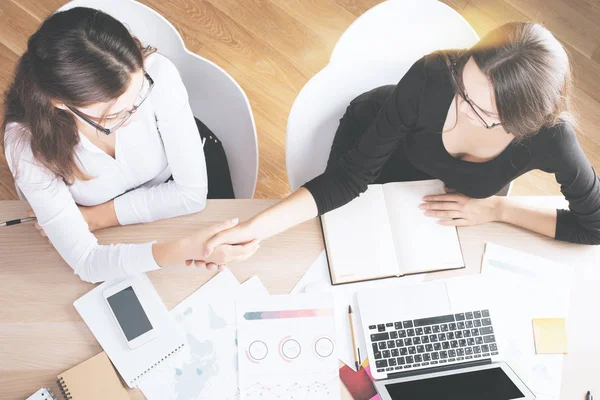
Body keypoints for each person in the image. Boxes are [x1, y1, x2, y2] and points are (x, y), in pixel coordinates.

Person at [202, 22, 600, 258]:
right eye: (463, 89)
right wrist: (253, 229)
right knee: (344, 250)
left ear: (528, 125)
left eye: (486, 114)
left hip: (430, 187)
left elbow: (593, 227)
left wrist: (498, 210)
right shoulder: (434, 74)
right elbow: (347, 179)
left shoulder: (551, 138)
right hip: (378, 142)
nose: (462, 109)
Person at [1, 7, 258, 283]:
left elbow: (191, 195)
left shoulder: (158, 73)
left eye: (138, 96)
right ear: (60, 105)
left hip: (161, 186)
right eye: (112, 116)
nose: (132, 118)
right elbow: (87, 262)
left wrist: (93, 220)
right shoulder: (26, 145)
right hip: (130, 220)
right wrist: (183, 250)